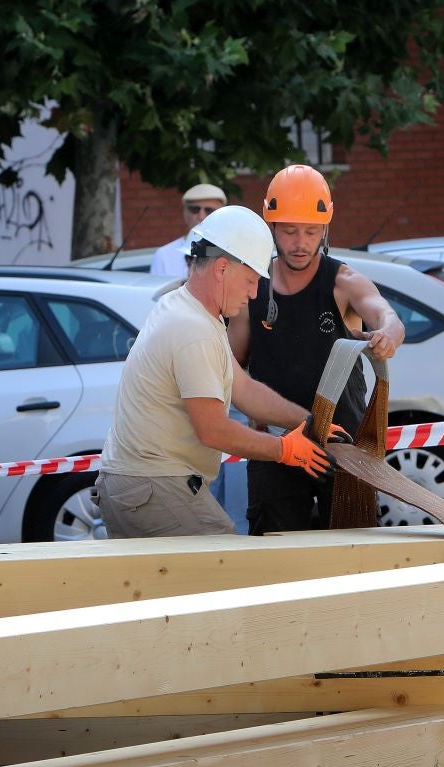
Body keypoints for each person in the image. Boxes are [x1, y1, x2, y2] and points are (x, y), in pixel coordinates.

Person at [98, 205, 333, 538]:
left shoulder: (191, 311)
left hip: (142, 486)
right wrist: (284, 450)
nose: (254, 293)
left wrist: (307, 422)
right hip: (152, 487)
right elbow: (214, 431)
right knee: (226, 568)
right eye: (251, 280)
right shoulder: (192, 328)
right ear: (223, 268)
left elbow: (244, 390)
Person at [228, 164, 405, 535]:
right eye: (290, 230)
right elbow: (229, 364)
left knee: (354, 552)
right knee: (276, 554)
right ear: (271, 227)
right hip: (276, 445)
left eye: (311, 231)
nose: (300, 242)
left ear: (325, 229)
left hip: (346, 445)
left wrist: (387, 332)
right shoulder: (252, 289)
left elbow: (384, 313)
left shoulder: (342, 282)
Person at [149, 184, 229, 279]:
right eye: (195, 209)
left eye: (209, 210)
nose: (201, 216)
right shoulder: (164, 255)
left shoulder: (232, 254)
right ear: (185, 212)